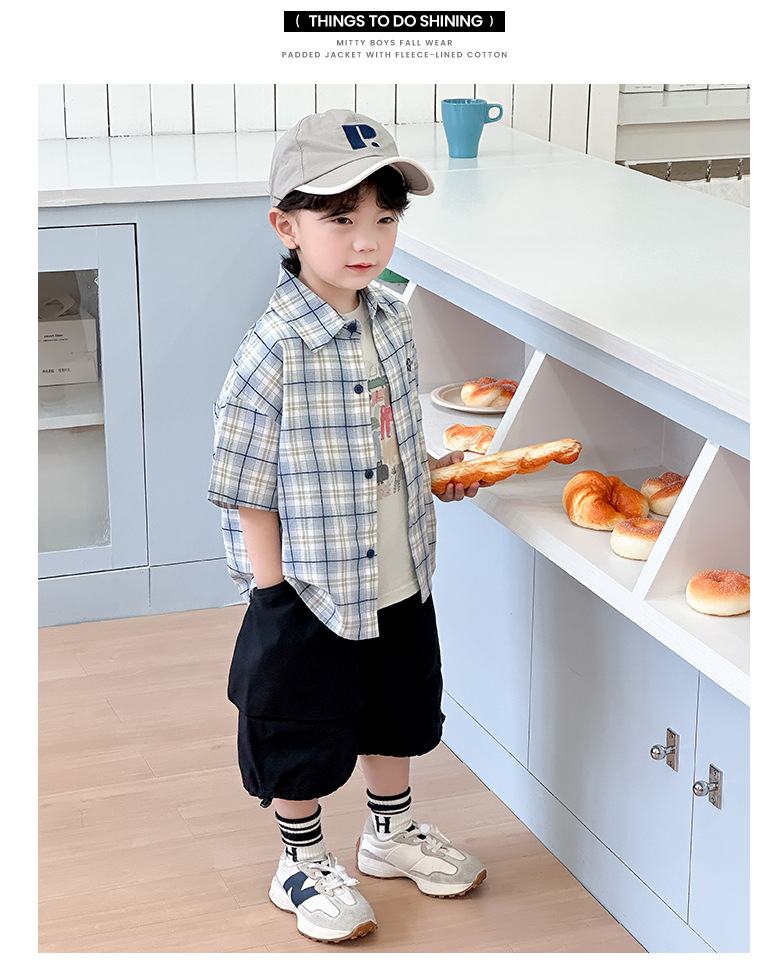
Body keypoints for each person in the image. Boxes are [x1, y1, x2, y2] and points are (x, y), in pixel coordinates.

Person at [208, 109, 487, 944]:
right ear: (286, 227)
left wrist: (434, 473)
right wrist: (272, 594)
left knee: (398, 706)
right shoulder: (274, 350)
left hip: (398, 569)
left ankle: (389, 834)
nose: (367, 241)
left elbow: (393, 434)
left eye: (385, 218)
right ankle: (300, 860)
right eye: (341, 219)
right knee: (303, 720)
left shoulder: (393, 320)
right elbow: (244, 483)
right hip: (311, 585)